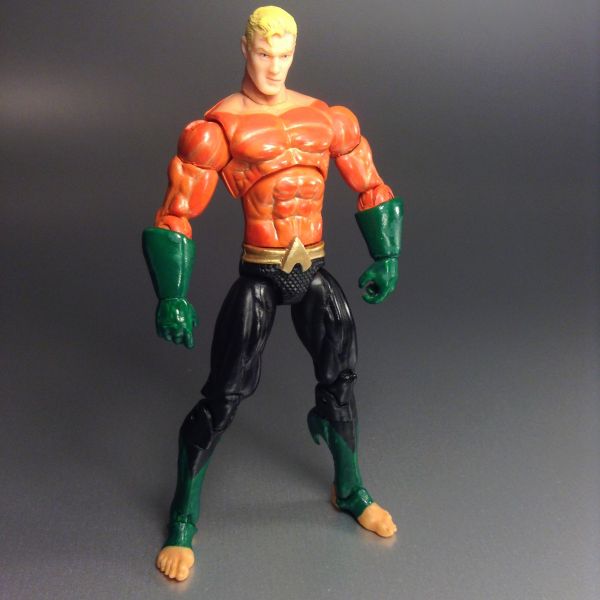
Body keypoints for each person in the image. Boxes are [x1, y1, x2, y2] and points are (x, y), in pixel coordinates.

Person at [143, 6, 403, 582]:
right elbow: (175, 214)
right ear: (245, 49)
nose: (275, 66)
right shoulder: (217, 130)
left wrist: (386, 254)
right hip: (260, 276)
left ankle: (350, 489)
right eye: (265, 53)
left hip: (314, 270)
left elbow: (370, 182)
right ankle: (183, 517)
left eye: (285, 54)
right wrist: (172, 294)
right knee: (222, 397)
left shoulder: (327, 118)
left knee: (341, 383)